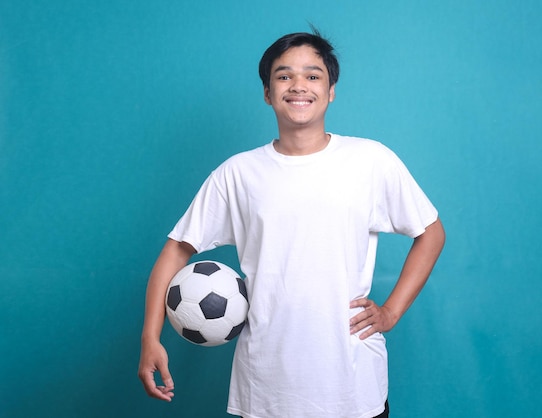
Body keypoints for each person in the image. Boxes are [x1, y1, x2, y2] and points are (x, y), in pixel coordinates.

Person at [138, 29, 445, 418]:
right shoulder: (238, 173)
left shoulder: (371, 161)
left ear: (331, 90)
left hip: (353, 385)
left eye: (313, 76)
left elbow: (431, 233)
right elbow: (175, 250)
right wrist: (150, 337)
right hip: (268, 388)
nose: (299, 85)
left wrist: (391, 312)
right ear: (267, 93)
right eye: (284, 76)